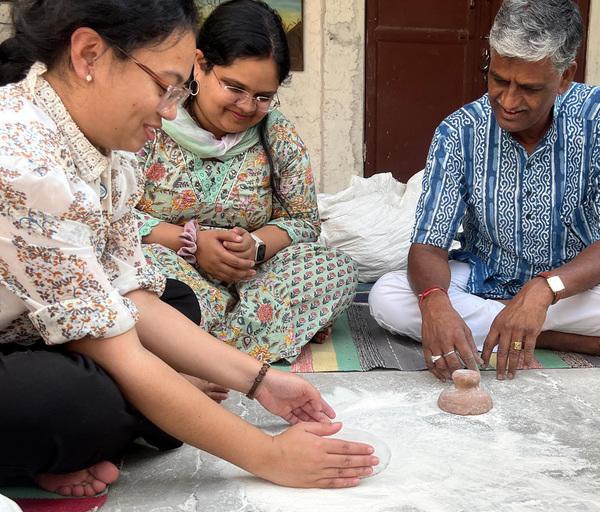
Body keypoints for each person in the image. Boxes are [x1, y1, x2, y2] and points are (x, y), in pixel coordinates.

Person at [0, 0, 376, 497]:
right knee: (78, 400)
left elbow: (134, 298)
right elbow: (119, 344)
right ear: (89, 54)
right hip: (45, 333)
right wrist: (269, 456)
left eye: (177, 92)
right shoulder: (25, 159)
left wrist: (261, 380)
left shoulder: (102, 149)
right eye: (164, 86)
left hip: (47, 326)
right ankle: (98, 428)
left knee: (168, 308)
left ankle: (106, 427)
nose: (170, 109)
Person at [369, 0, 600, 382]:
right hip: (485, 276)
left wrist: (544, 289)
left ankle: (519, 324)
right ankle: (573, 339)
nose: (508, 101)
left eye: (530, 88)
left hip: (572, 287)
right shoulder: (459, 131)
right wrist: (436, 302)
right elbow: (428, 245)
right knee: (388, 296)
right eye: (499, 79)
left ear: (565, 76)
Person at [136, 0, 357, 367]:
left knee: (335, 268)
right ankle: (255, 340)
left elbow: (304, 220)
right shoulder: (152, 124)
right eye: (234, 88)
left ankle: (201, 353)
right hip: (175, 268)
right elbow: (107, 217)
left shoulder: (276, 134)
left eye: (263, 96)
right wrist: (192, 244)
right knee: (138, 272)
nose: (246, 106)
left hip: (253, 279)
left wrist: (253, 246)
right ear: (200, 64)